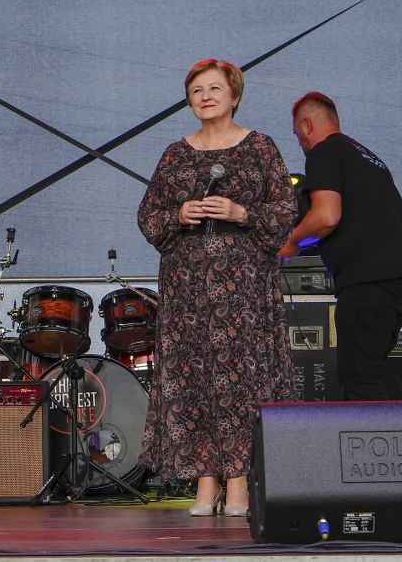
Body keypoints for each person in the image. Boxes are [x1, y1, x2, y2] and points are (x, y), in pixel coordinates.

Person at [137, 58, 296, 517]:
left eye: (214, 89)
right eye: (196, 91)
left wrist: (241, 213)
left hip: (244, 285)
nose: (205, 97)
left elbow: (285, 211)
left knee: (241, 378)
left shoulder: (260, 147)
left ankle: (240, 482)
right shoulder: (175, 153)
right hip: (187, 286)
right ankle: (205, 481)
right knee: (194, 378)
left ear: (234, 95)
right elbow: (148, 215)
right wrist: (178, 215)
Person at [278, 91, 402, 400]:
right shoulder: (363, 155)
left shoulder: (324, 151)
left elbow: (327, 216)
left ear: (307, 126)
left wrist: (292, 242)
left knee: (359, 378)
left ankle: (370, 432)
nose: (300, 143)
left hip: (369, 278)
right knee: (370, 371)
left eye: (297, 135)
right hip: (401, 274)